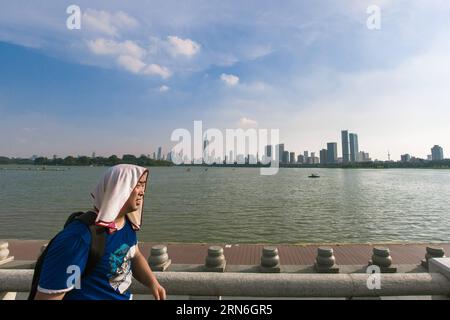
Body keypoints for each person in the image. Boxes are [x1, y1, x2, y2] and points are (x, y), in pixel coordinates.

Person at [34, 164, 166, 300]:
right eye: (137, 185)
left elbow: (134, 254)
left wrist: (153, 283)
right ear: (118, 188)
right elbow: (49, 296)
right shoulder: (78, 238)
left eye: (143, 185)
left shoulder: (127, 224)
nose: (142, 192)